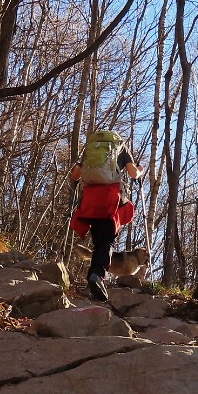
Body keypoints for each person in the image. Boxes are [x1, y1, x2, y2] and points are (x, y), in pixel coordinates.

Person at [68, 129, 144, 302]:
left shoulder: (89, 149)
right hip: (110, 199)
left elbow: (75, 175)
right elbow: (133, 174)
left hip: (90, 198)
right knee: (106, 241)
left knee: (99, 241)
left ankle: (94, 278)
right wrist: (140, 170)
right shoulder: (121, 148)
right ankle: (97, 275)